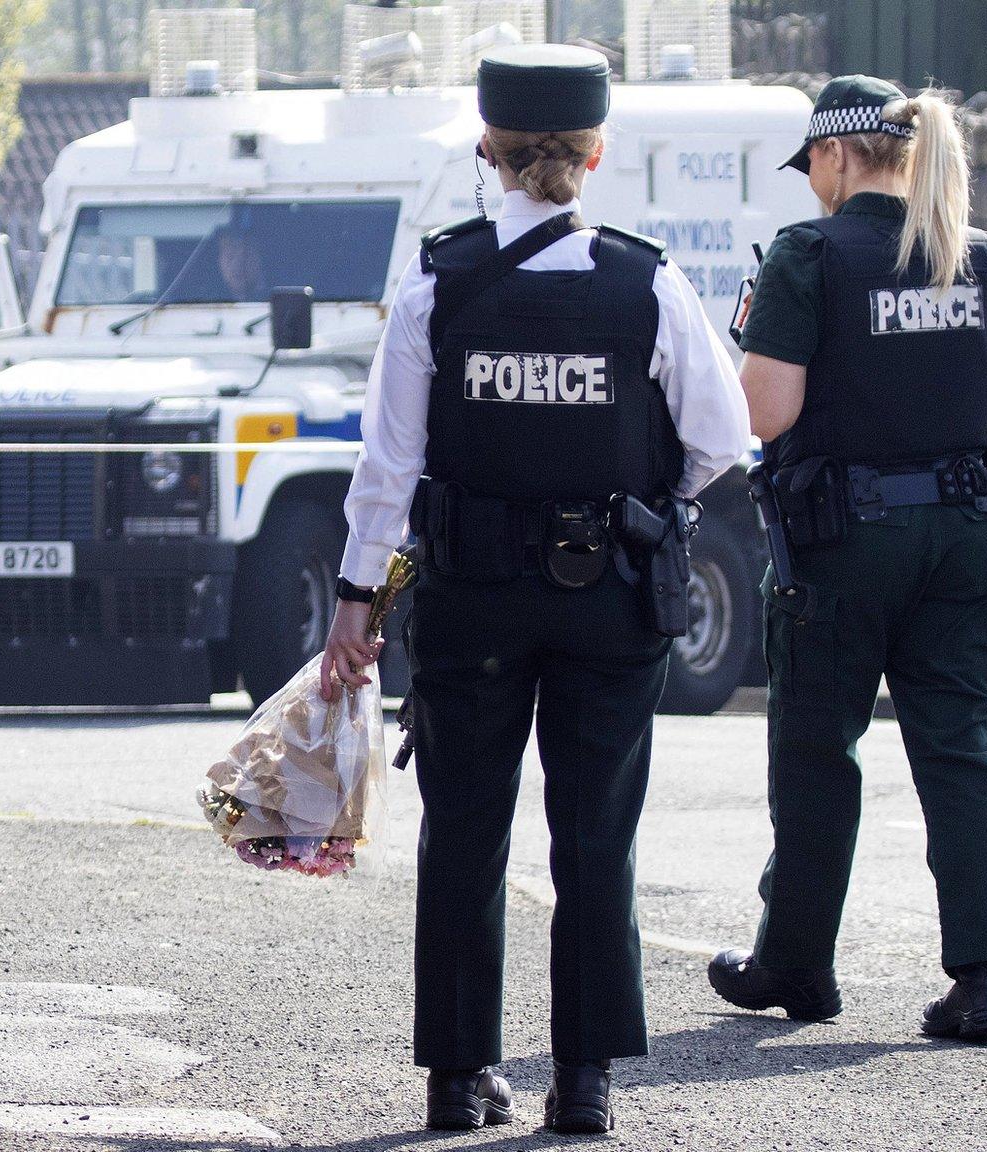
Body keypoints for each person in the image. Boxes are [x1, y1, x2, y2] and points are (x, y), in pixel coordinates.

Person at [318, 44, 748, 1135]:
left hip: (471, 600)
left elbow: (387, 467)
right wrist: (630, 497)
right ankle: (588, 1082)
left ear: (487, 150)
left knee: (464, 830)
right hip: (608, 598)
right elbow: (719, 444)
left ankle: (457, 1080)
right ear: (593, 155)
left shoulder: (438, 283)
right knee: (594, 837)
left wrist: (354, 604)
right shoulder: (646, 282)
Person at [707, 76, 987, 1044]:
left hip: (840, 543)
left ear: (833, 155)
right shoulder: (980, 260)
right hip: (963, 541)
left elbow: (766, 413)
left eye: (809, 165)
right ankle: (983, 979)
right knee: (961, 750)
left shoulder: (808, 255)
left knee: (818, 751)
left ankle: (797, 964)